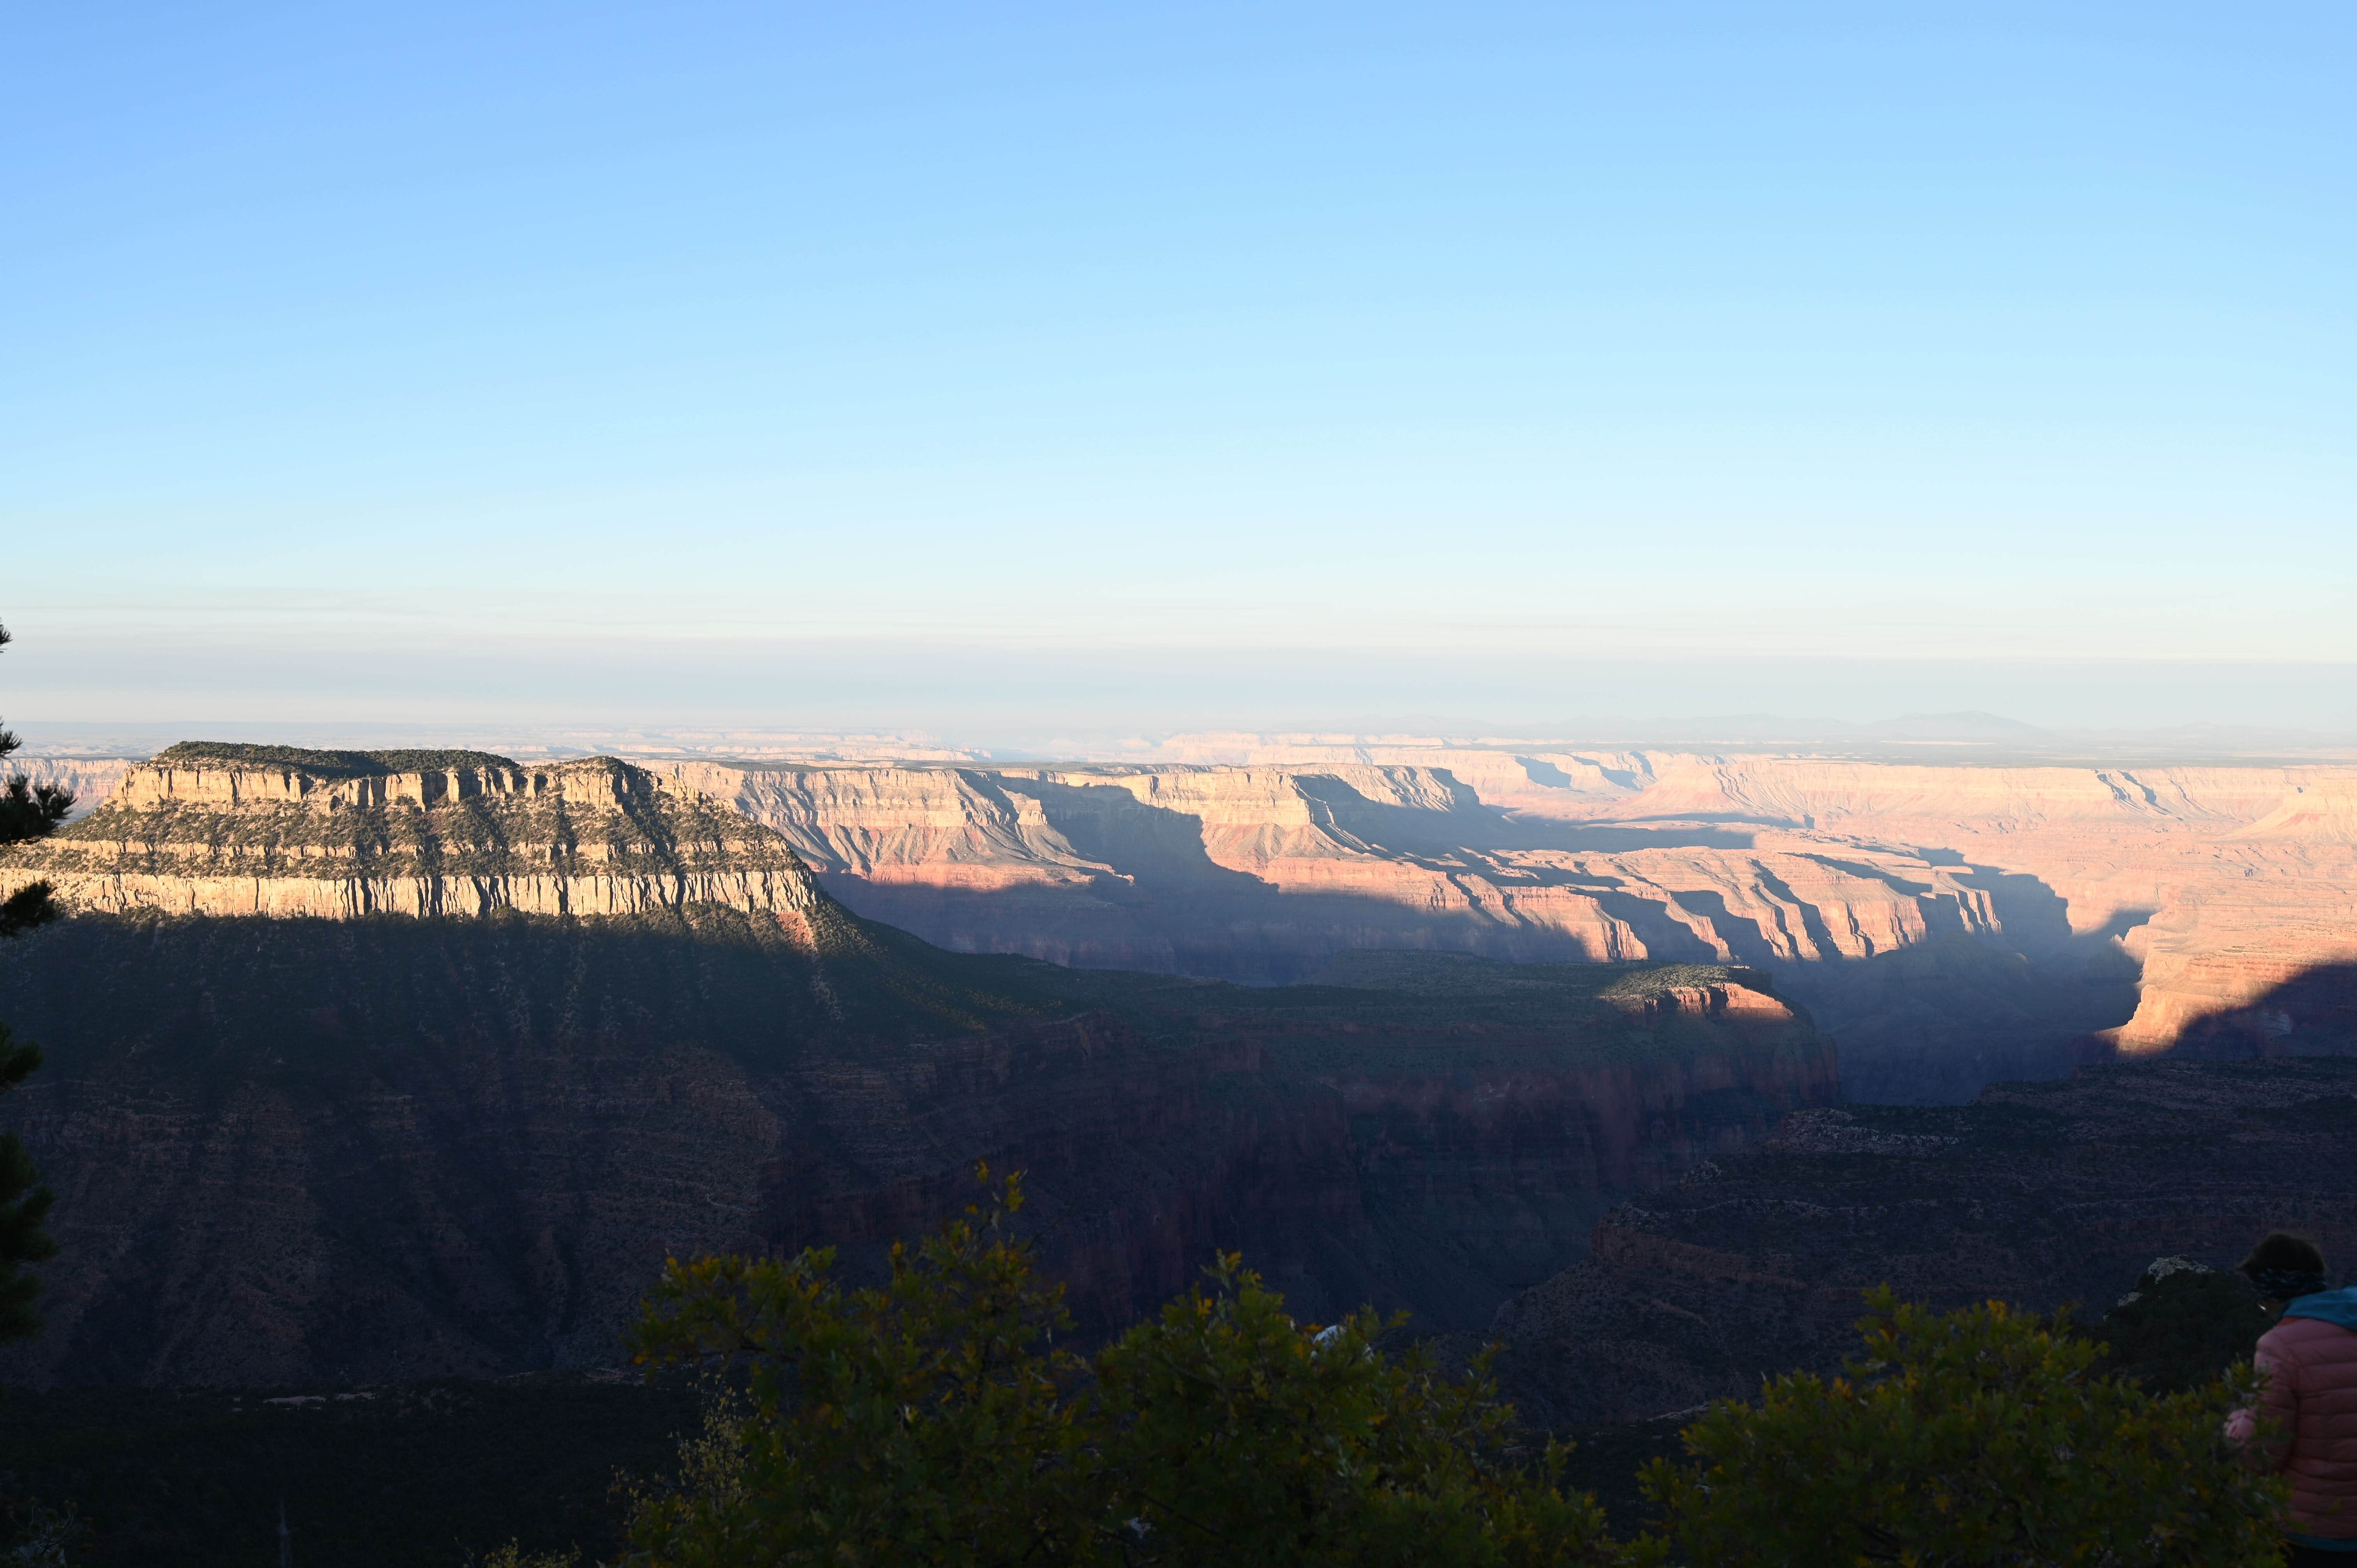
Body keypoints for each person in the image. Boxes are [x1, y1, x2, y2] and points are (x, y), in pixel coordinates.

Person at [2228, 1233, 2357, 1564]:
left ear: (2273, 1294)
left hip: (2317, 1531)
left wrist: (2235, 1424)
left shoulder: (2281, 1347)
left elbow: (2262, 1454)